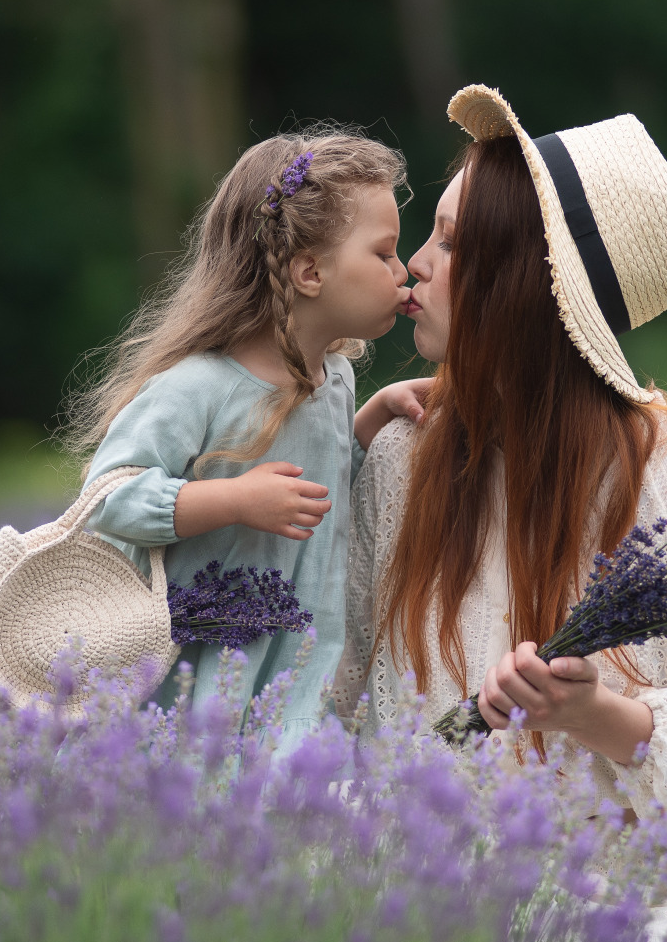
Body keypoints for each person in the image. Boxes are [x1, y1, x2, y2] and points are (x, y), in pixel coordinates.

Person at [333, 87, 667, 942]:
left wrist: (599, 715)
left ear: (522, 280)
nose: (414, 261)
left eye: (449, 240)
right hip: (454, 908)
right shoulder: (402, 462)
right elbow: (329, 701)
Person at [62, 128, 429, 752]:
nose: (405, 270)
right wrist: (234, 501)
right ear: (309, 271)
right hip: (203, 675)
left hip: (301, 669)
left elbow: (319, 480)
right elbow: (105, 500)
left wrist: (368, 421)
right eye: (385, 253)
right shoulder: (199, 388)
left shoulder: (334, 379)